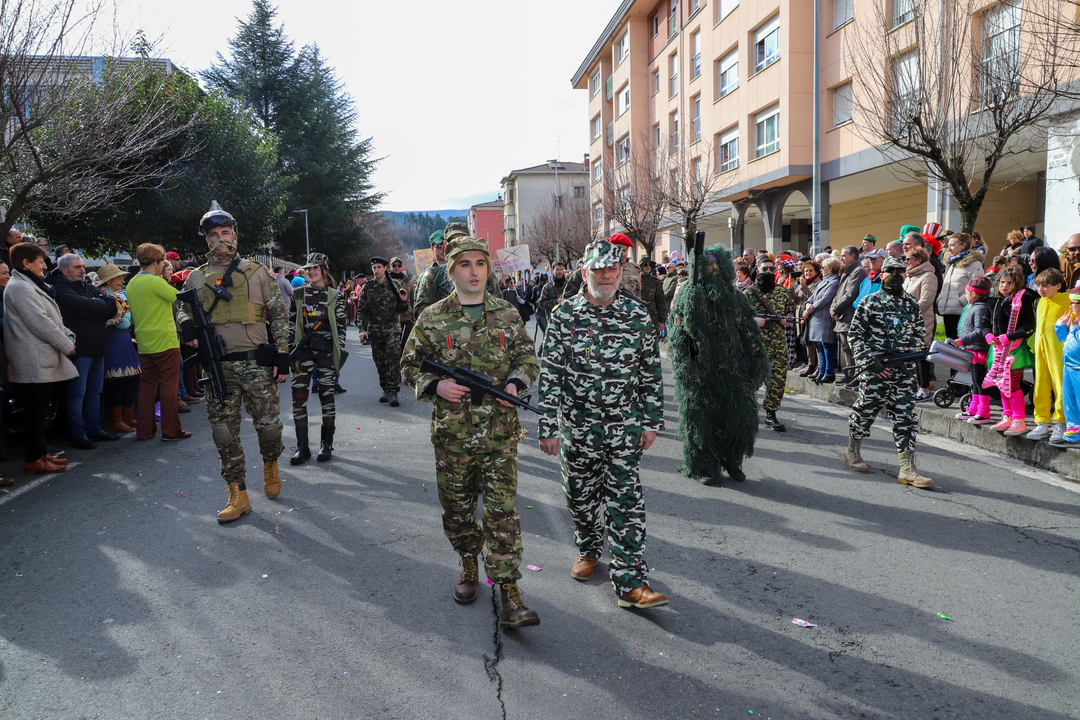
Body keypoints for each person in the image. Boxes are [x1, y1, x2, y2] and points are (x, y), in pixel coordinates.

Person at [400, 236, 541, 629]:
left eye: (480, 263)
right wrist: (436, 385)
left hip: (499, 435)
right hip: (454, 436)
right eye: (465, 264)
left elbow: (527, 358)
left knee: (502, 512)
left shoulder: (507, 314)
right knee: (458, 510)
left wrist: (514, 384)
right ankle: (467, 560)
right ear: (452, 271)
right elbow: (409, 364)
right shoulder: (432, 317)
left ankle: (510, 592)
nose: (474, 271)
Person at [536, 239, 668, 610]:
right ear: (585, 273)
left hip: (624, 425)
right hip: (578, 427)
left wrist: (651, 420)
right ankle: (589, 545)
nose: (606, 276)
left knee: (625, 500)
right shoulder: (565, 315)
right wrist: (547, 427)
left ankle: (631, 583)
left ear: (620, 272)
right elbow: (551, 374)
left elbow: (650, 372)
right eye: (599, 270)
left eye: (612, 269)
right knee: (579, 497)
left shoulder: (637, 315)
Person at [177, 202, 290, 523]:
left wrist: (282, 355)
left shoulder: (258, 272)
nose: (220, 239)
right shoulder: (196, 278)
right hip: (219, 367)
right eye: (213, 235)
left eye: (225, 233)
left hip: (256, 365)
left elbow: (279, 315)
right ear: (206, 239)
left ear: (235, 236)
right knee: (224, 433)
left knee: (269, 429)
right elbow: (182, 308)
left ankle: (270, 464)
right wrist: (185, 323)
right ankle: (238, 493)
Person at [668, 243, 769, 485]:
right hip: (701, 370)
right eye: (707, 267)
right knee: (701, 420)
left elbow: (748, 331)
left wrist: (757, 359)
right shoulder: (687, 296)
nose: (713, 271)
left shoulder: (735, 299)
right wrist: (687, 367)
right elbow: (678, 336)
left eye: (717, 266)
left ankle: (731, 459)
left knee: (738, 417)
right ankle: (703, 465)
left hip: (732, 369)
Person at [843, 257, 934, 489]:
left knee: (906, 419)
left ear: (906, 274)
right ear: (881, 274)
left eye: (899, 270)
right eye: (890, 270)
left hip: (903, 372)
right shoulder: (869, 302)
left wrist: (912, 354)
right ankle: (853, 451)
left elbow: (918, 334)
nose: (895, 274)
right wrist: (870, 361)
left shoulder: (911, 304)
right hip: (875, 371)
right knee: (864, 412)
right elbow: (855, 335)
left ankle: (907, 469)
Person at [3, 242, 75, 474]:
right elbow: (39, 322)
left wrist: (68, 336)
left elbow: (51, 318)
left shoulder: (28, 283)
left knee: (40, 410)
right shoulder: (20, 286)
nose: (45, 266)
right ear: (26, 263)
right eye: (40, 261)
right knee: (35, 412)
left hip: (39, 356)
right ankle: (34, 458)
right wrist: (66, 344)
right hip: (32, 357)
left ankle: (41, 454)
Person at [46, 253, 123, 448]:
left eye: (82, 266)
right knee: (77, 394)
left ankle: (94, 429)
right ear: (64, 270)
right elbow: (85, 307)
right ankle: (78, 434)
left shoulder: (86, 286)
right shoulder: (59, 289)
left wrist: (96, 305)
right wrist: (98, 304)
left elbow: (112, 306)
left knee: (95, 392)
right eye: (77, 267)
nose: (82, 270)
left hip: (97, 347)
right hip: (79, 351)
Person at [126, 244, 190, 442]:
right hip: (165, 340)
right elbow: (180, 299)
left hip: (144, 342)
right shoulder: (156, 281)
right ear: (156, 262)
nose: (163, 265)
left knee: (146, 387)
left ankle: (144, 431)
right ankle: (171, 430)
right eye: (162, 262)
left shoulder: (132, 282)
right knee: (169, 387)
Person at [289, 253, 347, 464]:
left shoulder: (334, 295)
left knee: (327, 397)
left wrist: (338, 351)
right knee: (298, 398)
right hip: (302, 352)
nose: (311, 272)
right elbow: (291, 323)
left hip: (325, 352)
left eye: (316, 268)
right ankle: (302, 447)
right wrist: (289, 349)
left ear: (325, 271)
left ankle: (326, 445)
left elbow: (341, 327)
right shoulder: (298, 294)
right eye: (308, 269)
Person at [744, 256, 795, 431]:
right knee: (752, 380)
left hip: (778, 344)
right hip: (755, 345)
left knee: (777, 380)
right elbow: (737, 317)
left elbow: (791, 312)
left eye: (771, 269)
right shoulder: (748, 294)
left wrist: (787, 319)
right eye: (764, 269)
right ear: (757, 270)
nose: (768, 272)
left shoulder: (783, 292)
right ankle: (744, 411)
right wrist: (752, 320)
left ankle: (770, 414)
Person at [984, 266, 1037, 436]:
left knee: (1012, 385)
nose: (1004, 286)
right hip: (997, 349)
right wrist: (987, 334)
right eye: (1002, 282)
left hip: (1015, 349)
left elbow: (1029, 326)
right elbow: (985, 322)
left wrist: (1010, 336)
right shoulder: (995, 301)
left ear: (1017, 283)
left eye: (1009, 283)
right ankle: (1008, 416)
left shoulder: (1023, 301)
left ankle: (1019, 420)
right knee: (1001, 384)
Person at [356, 256, 408, 406]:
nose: (376, 270)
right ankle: (385, 388)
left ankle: (393, 390)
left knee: (393, 358)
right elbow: (362, 310)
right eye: (374, 268)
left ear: (385, 268)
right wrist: (362, 329)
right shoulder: (368, 287)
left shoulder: (394, 285)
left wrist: (404, 300)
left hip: (392, 328)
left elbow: (402, 309)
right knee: (380, 361)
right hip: (375, 330)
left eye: (379, 267)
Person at [1025, 268, 1069, 442]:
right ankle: (1042, 421)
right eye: (1039, 286)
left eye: (1046, 286)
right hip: (1041, 351)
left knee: (1060, 385)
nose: (1041, 289)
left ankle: (1061, 422)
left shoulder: (1067, 300)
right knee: (1040, 385)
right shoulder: (1040, 302)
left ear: (1058, 285)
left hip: (1059, 352)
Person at [95, 265, 140, 434]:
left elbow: (128, 320)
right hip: (114, 344)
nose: (122, 280)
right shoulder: (105, 298)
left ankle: (127, 416)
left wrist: (126, 316)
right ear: (108, 281)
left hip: (123, 342)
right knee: (117, 382)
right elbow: (124, 323)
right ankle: (116, 420)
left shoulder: (116, 297)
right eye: (118, 278)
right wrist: (126, 315)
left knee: (132, 379)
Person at [949, 276, 994, 425]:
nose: (966, 296)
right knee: (975, 381)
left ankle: (984, 412)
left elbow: (979, 332)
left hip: (980, 351)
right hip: (974, 350)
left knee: (980, 382)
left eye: (967, 293)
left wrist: (961, 341)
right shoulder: (977, 306)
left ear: (973, 294)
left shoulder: (980, 308)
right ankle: (974, 409)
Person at [902, 246, 939, 402]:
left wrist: (906, 311)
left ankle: (924, 388)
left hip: (922, 321)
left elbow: (926, 301)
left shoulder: (928, 276)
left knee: (921, 355)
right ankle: (915, 386)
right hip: (908, 322)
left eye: (909, 259)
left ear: (919, 260)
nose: (906, 261)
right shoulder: (910, 276)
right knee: (910, 354)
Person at [829, 246, 868, 383]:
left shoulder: (858, 271)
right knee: (846, 347)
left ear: (853, 256)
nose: (841, 258)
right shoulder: (847, 270)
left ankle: (856, 375)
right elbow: (839, 292)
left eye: (844, 255)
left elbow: (850, 294)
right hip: (842, 315)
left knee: (853, 348)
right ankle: (849, 374)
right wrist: (834, 307)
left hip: (850, 316)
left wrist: (836, 307)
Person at [938, 233, 985, 339]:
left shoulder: (974, 264)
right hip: (948, 311)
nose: (949, 249)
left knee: (960, 343)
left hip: (962, 311)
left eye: (952, 245)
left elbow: (978, 285)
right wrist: (940, 299)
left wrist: (962, 300)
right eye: (949, 245)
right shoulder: (952, 263)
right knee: (950, 342)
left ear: (963, 245)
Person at [805, 257, 842, 382]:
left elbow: (825, 299)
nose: (821, 270)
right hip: (818, 317)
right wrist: (808, 304)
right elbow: (812, 297)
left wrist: (810, 309)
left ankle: (829, 372)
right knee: (820, 345)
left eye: (823, 267)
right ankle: (821, 371)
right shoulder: (823, 282)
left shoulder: (834, 282)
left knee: (827, 345)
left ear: (830, 269)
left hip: (825, 317)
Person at [1052, 287, 1080, 447]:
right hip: (1068, 368)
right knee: (1069, 402)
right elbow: (1064, 342)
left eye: (1074, 303)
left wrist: (1074, 329)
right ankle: (1073, 432)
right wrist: (1060, 325)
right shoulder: (1075, 324)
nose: (1071, 306)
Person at [794, 259, 822, 377]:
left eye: (811, 270)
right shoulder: (802, 283)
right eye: (806, 271)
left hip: (812, 316)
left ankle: (819, 366)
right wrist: (791, 288)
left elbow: (812, 298)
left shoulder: (818, 283)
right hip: (801, 316)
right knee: (806, 342)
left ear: (816, 272)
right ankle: (810, 365)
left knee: (814, 343)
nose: (808, 273)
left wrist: (804, 286)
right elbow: (795, 299)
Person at [389, 257, 415, 362]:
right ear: (390, 267)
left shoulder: (409, 282)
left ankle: (403, 365)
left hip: (406, 317)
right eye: (394, 265)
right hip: (391, 318)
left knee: (405, 345)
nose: (396, 267)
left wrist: (414, 318)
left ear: (402, 267)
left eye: (399, 265)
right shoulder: (386, 281)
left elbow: (413, 300)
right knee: (392, 346)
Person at [638, 258, 667, 333]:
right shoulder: (635, 280)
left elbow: (660, 301)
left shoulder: (655, 281)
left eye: (650, 265)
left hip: (652, 317)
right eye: (645, 264)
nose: (648, 267)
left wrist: (662, 320)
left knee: (653, 338)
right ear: (640, 266)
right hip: (637, 316)